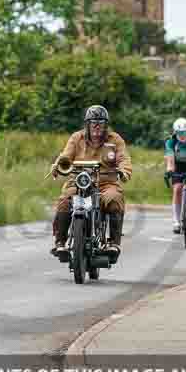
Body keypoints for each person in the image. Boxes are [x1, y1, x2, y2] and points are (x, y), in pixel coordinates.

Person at [50, 105, 132, 264]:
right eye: (93, 122)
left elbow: (124, 159)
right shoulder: (76, 138)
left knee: (115, 198)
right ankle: (60, 243)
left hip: (106, 183)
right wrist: (57, 165)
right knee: (65, 201)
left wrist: (123, 171)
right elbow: (65, 156)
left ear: (106, 125)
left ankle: (114, 244)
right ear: (87, 124)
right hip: (79, 181)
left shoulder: (115, 139)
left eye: (100, 123)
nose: (97, 126)